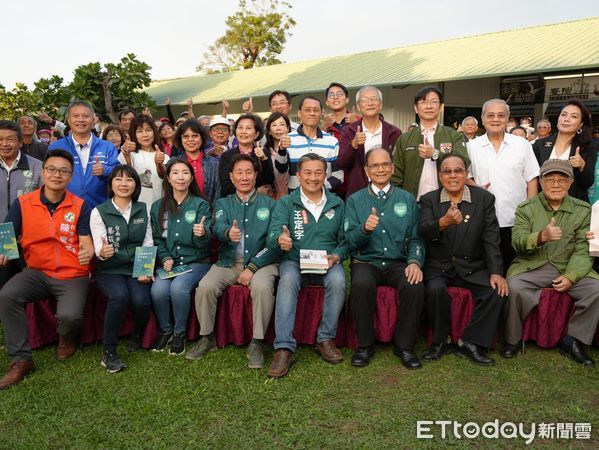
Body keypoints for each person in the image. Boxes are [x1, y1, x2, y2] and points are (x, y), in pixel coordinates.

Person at [0, 149, 94, 389]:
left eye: (64, 171)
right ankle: (21, 360)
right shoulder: (23, 203)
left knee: (70, 316)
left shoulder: (80, 206)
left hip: (72, 272)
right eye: (52, 169)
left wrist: (88, 251)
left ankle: (66, 337)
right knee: (8, 295)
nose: (57, 175)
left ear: (70, 176)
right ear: (42, 172)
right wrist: (6, 250)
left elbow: (85, 241)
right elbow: (8, 232)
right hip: (37, 270)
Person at [503, 159, 599, 367]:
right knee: (515, 286)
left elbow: (584, 249)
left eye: (562, 180)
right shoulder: (526, 208)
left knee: (596, 288)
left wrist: (571, 276)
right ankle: (512, 339)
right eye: (550, 179)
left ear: (571, 183)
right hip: (533, 265)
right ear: (541, 182)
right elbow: (517, 243)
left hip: (568, 265)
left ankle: (574, 340)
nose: (556, 184)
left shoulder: (583, 209)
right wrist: (541, 237)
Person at [189, 154, 279, 368]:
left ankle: (257, 342)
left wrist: (253, 267)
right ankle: (206, 337)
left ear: (256, 176)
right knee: (205, 287)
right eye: (239, 172)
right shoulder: (223, 203)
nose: (244, 177)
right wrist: (228, 232)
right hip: (230, 260)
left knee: (263, 286)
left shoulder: (271, 204)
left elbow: (274, 242)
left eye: (249, 172)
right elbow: (217, 226)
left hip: (262, 261)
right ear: (231, 176)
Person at [418, 153, 508, 366]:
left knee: (497, 291)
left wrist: (496, 271)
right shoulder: (429, 199)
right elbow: (422, 230)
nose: (452, 176)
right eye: (447, 171)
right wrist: (443, 222)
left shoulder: (484, 198)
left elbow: (491, 237)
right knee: (435, 290)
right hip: (439, 265)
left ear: (466, 173)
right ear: (440, 176)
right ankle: (440, 341)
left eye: (458, 170)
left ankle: (471, 342)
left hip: (471, 266)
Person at [266, 153, 348, 378]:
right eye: (307, 173)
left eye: (318, 172)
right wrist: (279, 240)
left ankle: (325, 339)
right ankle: (284, 347)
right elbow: (273, 233)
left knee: (339, 280)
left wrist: (337, 256)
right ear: (299, 175)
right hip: (293, 260)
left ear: (325, 175)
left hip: (326, 261)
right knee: (288, 280)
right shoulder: (286, 202)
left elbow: (344, 242)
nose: (313, 177)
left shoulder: (337, 203)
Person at [345, 147, 425, 369]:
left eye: (384, 165)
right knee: (360, 285)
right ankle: (365, 345)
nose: (380, 169)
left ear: (391, 167)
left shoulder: (407, 199)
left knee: (414, 285)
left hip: (397, 263)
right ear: (366, 170)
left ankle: (405, 346)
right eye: (374, 166)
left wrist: (415, 262)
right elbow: (350, 242)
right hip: (366, 262)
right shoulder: (355, 200)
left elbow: (417, 238)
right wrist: (364, 229)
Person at [90, 165, 153, 372]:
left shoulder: (142, 208)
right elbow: (98, 245)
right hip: (110, 269)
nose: (124, 184)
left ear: (136, 184)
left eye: (129, 180)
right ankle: (109, 352)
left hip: (136, 267)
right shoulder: (99, 212)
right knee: (119, 296)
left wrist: (145, 269)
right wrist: (102, 251)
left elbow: (147, 241)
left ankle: (137, 334)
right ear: (111, 184)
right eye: (118, 179)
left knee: (141, 299)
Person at [467, 99, 539, 274]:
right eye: (490, 115)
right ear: (482, 119)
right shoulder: (471, 147)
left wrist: (530, 213)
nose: (495, 119)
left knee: (514, 269)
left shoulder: (521, 145)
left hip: (516, 219)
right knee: (488, 270)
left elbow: (532, 179)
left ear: (507, 119)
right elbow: (465, 177)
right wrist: (476, 188)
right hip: (483, 219)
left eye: (501, 115)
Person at [150, 159, 212, 356]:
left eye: (185, 173)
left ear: (191, 177)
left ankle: (179, 333)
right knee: (158, 290)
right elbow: (157, 239)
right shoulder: (158, 206)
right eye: (175, 173)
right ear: (168, 178)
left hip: (196, 262)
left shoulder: (200, 204)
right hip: (170, 264)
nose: (180, 177)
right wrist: (164, 256)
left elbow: (205, 245)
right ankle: (166, 330)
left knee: (178, 289)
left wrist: (202, 234)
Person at [391, 86, 469, 200]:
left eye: (434, 102)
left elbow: (464, 162)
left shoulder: (454, 136)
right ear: (416, 108)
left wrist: (434, 154)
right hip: (413, 203)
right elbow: (396, 175)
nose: (429, 106)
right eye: (423, 102)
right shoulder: (404, 139)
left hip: (445, 201)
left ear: (441, 107)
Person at [49, 100, 120, 208]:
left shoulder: (108, 147)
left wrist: (105, 170)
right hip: (64, 209)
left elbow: (118, 173)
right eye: (76, 116)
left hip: (100, 209)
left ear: (93, 120)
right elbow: (47, 176)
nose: (80, 120)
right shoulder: (56, 147)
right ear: (68, 120)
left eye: (85, 116)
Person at [0, 120, 43, 288]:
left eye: (9, 139)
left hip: (29, 240)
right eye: (0, 139)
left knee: (27, 291)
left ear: (20, 141)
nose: (4, 144)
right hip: (1, 241)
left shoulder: (37, 167)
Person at [338, 86, 401, 197]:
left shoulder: (394, 132)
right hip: (358, 194)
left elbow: (399, 166)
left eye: (374, 99)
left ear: (381, 104)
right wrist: (353, 145)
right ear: (358, 106)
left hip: (388, 194)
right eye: (365, 100)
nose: (370, 103)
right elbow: (341, 163)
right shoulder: (349, 131)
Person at [532, 100, 598, 203]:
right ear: (558, 118)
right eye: (564, 115)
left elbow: (587, 183)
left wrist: (582, 166)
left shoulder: (588, 146)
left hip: (575, 209)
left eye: (574, 116)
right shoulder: (539, 145)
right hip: (543, 206)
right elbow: (533, 180)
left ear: (581, 124)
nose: (566, 119)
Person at [286, 96, 343, 193]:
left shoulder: (332, 141)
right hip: (295, 200)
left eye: (316, 110)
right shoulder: (287, 140)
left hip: (324, 200)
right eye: (307, 110)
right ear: (299, 113)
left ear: (321, 113)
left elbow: (339, 176)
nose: (312, 113)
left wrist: (319, 186)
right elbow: (281, 174)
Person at [119, 114, 169, 213]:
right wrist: (125, 151)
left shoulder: (163, 156)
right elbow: (127, 167)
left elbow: (166, 176)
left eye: (148, 130)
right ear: (134, 134)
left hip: (160, 210)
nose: (145, 135)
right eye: (139, 131)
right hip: (136, 211)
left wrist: (159, 163)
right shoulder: (130, 154)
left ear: (154, 132)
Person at [219, 114, 275, 197]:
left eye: (248, 128)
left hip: (259, 204)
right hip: (234, 204)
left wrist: (264, 159)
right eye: (240, 128)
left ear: (256, 134)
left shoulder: (264, 153)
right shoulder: (227, 156)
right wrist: (254, 192)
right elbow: (226, 186)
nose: (243, 131)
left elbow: (269, 181)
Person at [172, 119, 220, 205]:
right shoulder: (174, 163)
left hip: (207, 214)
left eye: (195, 136)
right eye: (185, 136)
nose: (190, 140)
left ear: (202, 137)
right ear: (180, 139)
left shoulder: (214, 163)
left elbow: (217, 192)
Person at [264, 112, 292, 199]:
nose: (278, 128)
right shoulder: (264, 152)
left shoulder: (294, 150)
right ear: (269, 131)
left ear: (287, 128)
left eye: (282, 124)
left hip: (292, 196)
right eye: (274, 125)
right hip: (272, 198)